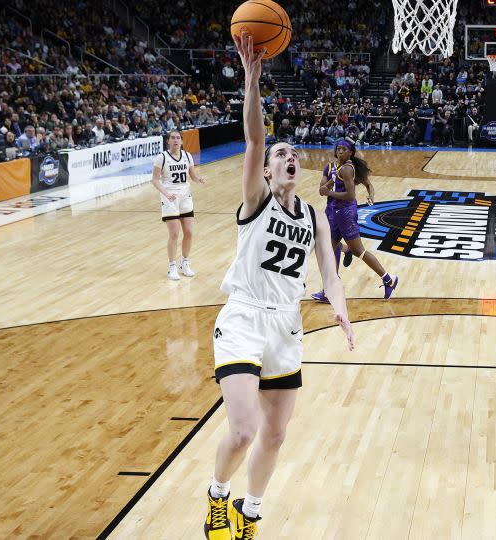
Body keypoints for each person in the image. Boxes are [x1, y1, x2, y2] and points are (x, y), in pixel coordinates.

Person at [204, 32, 355, 540]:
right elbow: (253, 138)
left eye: (293, 153)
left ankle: (250, 512)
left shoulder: (314, 216)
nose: (289, 157)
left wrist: (340, 308)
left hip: (286, 325)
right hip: (244, 318)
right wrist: (252, 81)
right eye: (280, 153)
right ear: (268, 171)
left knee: (275, 434)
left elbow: (331, 273)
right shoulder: (256, 200)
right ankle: (218, 497)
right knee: (244, 430)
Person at [309, 139, 399, 302]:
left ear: (350, 152)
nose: (340, 151)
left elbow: (350, 195)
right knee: (328, 251)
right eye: (339, 149)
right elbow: (332, 183)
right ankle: (330, 291)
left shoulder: (348, 169)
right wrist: (325, 187)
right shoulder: (336, 167)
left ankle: (389, 279)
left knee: (359, 251)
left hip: (345, 213)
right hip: (334, 212)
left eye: (344, 149)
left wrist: (329, 193)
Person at [150, 129, 205, 280]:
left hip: (185, 196)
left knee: (189, 232)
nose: (175, 140)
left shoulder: (187, 156)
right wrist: (166, 193)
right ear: (168, 141)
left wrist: (198, 179)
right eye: (172, 138)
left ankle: (185, 262)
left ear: (181, 141)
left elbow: (192, 175)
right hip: (169, 197)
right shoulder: (161, 157)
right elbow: (155, 179)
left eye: (178, 138)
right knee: (174, 234)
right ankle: (171, 267)